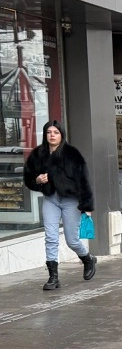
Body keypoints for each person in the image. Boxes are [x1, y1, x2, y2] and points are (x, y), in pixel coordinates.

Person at [22, 120, 96, 291]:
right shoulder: (38, 154)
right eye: (49, 132)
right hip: (51, 200)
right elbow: (28, 177)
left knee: (72, 240)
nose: (52, 135)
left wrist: (87, 205)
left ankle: (87, 258)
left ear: (61, 134)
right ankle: (53, 278)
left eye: (55, 132)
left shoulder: (72, 154)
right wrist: (37, 180)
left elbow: (84, 180)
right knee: (51, 237)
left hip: (71, 201)